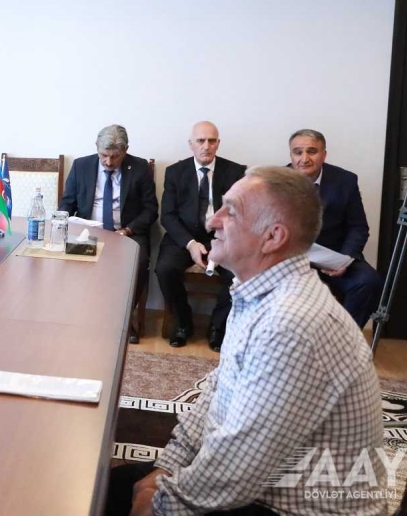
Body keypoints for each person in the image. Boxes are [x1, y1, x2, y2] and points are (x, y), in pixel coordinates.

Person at [106, 167, 385, 516]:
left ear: (273, 237)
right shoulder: (255, 293)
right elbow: (216, 394)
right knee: (109, 486)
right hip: (260, 483)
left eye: (231, 212)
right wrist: (166, 468)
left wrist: (160, 503)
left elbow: (237, 465)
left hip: (296, 508)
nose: (212, 221)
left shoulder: (291, 323)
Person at [59, 124, 158, 343]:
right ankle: (78, 315)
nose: (109, 162)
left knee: (140, 261)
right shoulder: (81, 166)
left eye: (115, 156)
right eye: (104, 155)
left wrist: (127, 230)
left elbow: (151, 209)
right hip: (88, 231)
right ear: (96, 147)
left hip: (127, 232)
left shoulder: (140, 167)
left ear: (125, 150)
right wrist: (64, 223)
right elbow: (67, 203)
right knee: (63, 256)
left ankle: (123, 320)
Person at [155, 121, 246, 351]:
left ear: (218, 143)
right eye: (201, 141)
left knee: (240, 272)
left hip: (223, 237)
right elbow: (168, 216)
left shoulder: (236, 172)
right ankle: (183, 322)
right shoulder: (175, 172)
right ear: (191, 144)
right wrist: (190, 244)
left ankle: (217, 326)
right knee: (165, 269)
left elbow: (240, 214)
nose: (206, 146)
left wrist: (222, 241)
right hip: (184, 237)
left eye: (212, 141)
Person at [289, 129, 383, 328]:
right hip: (291, 259)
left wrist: (345, 259)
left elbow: (358, 227)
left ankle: (343, 336)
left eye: (312, 151)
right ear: (291, 155)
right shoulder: (276, 182)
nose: (304, 159)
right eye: (297, 152)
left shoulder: (345, 181)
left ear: (324, 154)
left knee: (369, 282)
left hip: (335, 256)